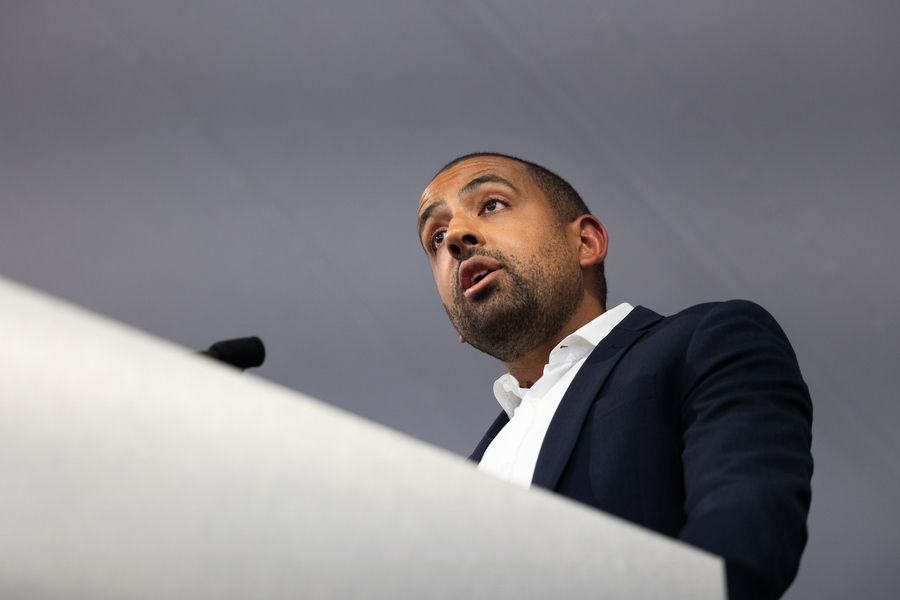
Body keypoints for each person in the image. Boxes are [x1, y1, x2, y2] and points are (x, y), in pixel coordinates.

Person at [416, 153, 813, 600]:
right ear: (456, 320)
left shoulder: (703, 343)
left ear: (585, 242)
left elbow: (744, 533)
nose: (455, 237)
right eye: (435, 238)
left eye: (491, 204)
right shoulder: (457, 490)